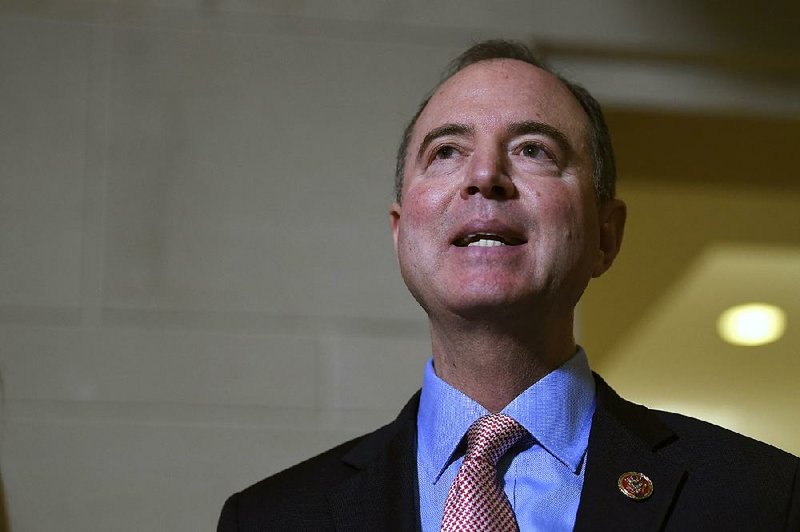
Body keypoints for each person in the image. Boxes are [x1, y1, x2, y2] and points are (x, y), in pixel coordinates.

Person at [217, 40, 799, 531]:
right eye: (447, 151)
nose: (485, 176)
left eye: (533, 150)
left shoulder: (766, 501)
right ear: (400, 234)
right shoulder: (268, 518)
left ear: (606, 236)